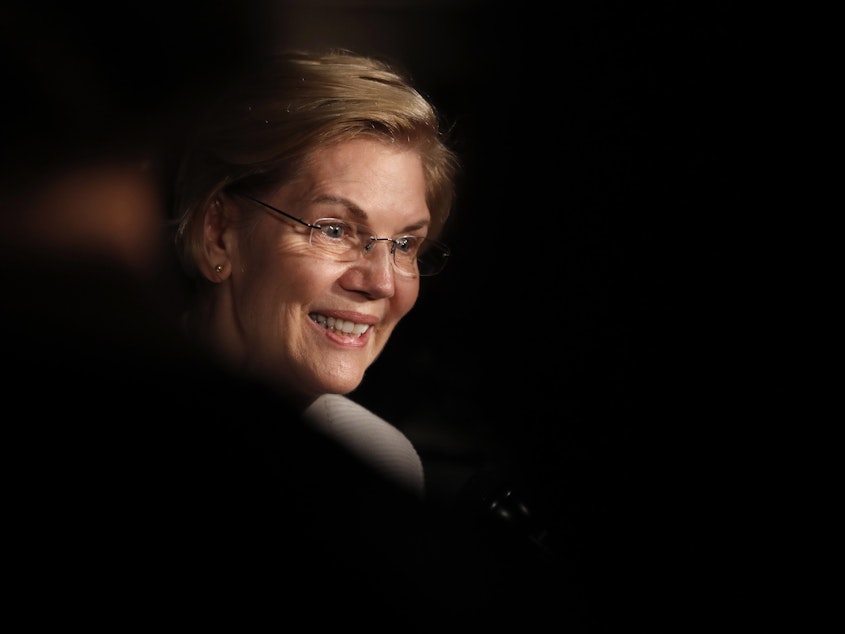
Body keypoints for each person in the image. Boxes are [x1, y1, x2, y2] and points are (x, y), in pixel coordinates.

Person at [168, 50, 461, 498]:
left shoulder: (381, 463)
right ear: (219, 232)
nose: (381, 283)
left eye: (404, 244)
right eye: (334, 230)